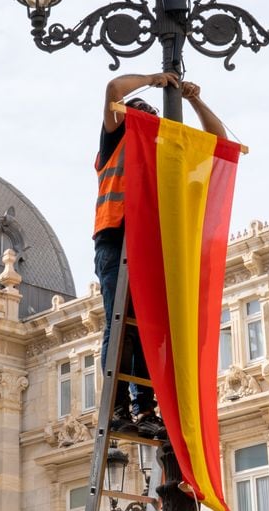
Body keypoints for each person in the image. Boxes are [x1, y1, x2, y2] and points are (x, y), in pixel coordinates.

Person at [94, 71, 228, 437]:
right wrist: (154, 79)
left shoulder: (165, 151)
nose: (144, 118)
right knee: (122, 325)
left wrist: (194, 101)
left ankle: (145, 409)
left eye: (150, 114)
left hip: (151, 242)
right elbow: (113, 90)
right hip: (115, 235)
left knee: (148, 329)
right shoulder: (116, 138)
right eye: (137, 113)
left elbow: (219, 142)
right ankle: (117, 405)